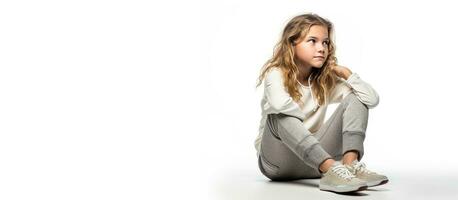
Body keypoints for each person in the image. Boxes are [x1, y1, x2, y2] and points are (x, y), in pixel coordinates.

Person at [254, 13, 388, 193]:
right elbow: (279, 105)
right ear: (292, 44)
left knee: (357, 96)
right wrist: (304, 132)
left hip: (314, 162)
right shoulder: (275, 74)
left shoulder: (324, 81)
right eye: (312, 41)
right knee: (278, 115)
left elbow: (370, 98)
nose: (321, 48)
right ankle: (332, 169)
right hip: (277, 163)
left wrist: (346, 74)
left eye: (325, 42)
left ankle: (349, 166)